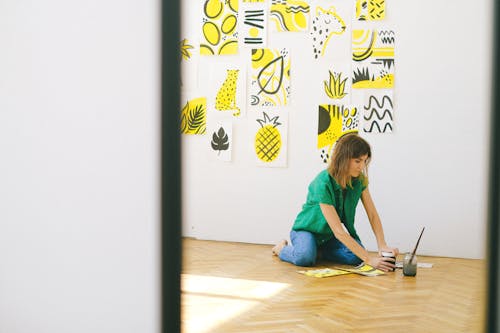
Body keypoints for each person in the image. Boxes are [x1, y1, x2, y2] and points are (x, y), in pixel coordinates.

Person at [272, 133, 398, 272]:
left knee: (356, 257)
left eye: (364, 161)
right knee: (304, 258)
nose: (362, 166)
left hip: (329, 236)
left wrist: (382, 245)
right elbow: (339, 231)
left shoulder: (360, 180)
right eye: (357, 161)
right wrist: (369, 259)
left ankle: (318, 252)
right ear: (343, 159)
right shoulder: (323, 182)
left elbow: (372, 214)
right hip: (307, 231)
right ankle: (281, 249)